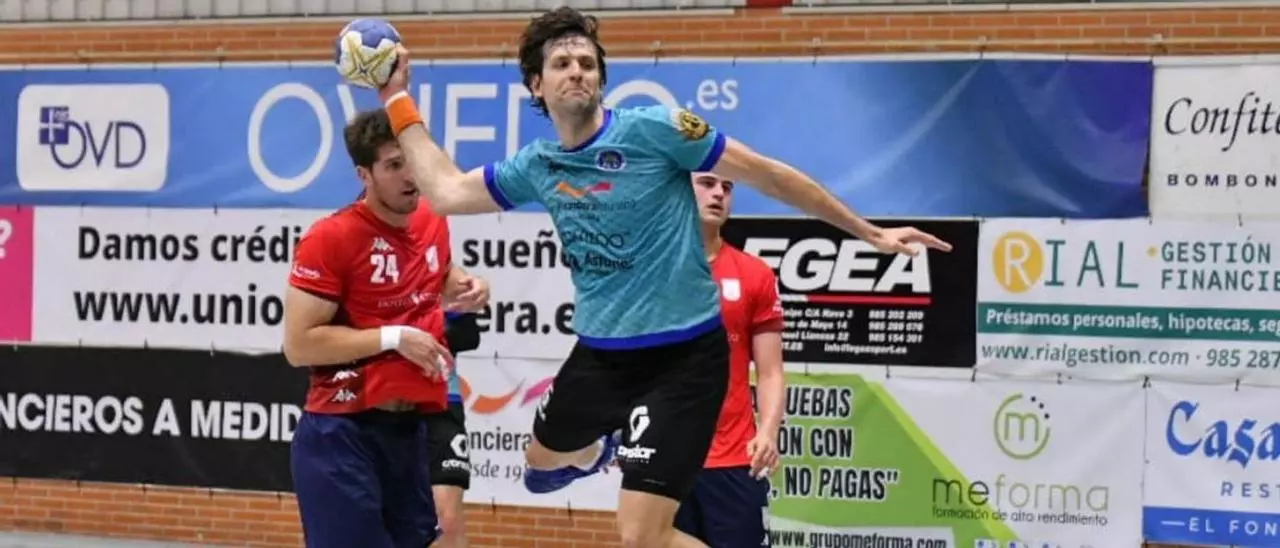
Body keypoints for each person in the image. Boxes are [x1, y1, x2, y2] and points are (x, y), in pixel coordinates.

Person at [372, 7, 952, 546]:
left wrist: (869, 233)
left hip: (684, 359)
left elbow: (769, 175)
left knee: (640, 538)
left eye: (587, 63)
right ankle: (597, 448)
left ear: (601, 79)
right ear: (536, 85)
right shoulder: (540, 165)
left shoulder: (656, 130)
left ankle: (608, 449)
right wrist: (396, 97)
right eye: (562, 63)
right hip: (601, 356)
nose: (577, 72)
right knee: (539, 466)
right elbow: (445, 192)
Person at [280, 108, 489, 548]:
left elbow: (441, 271)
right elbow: (299, 345)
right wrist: (395, 338)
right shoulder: (331, 237)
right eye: (394, 165)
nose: (410, 175)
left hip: (408, 428)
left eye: (411, 159)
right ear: (365, 174)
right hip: (343, 430)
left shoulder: (432, 217)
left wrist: (466, 286)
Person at [674, 173, 786, 547]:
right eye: (707, 183)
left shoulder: (755, 274)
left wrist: (768, 431)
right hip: (664, 458)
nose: (719, 193)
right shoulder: (650, 272)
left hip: (734, 460)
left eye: (727, 187)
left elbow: (770, 372)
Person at [426, 310, 482, 548]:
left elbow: (468, 336)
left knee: (447, 520)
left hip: (443, 403)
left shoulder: (441, 286)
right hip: (382, 404)